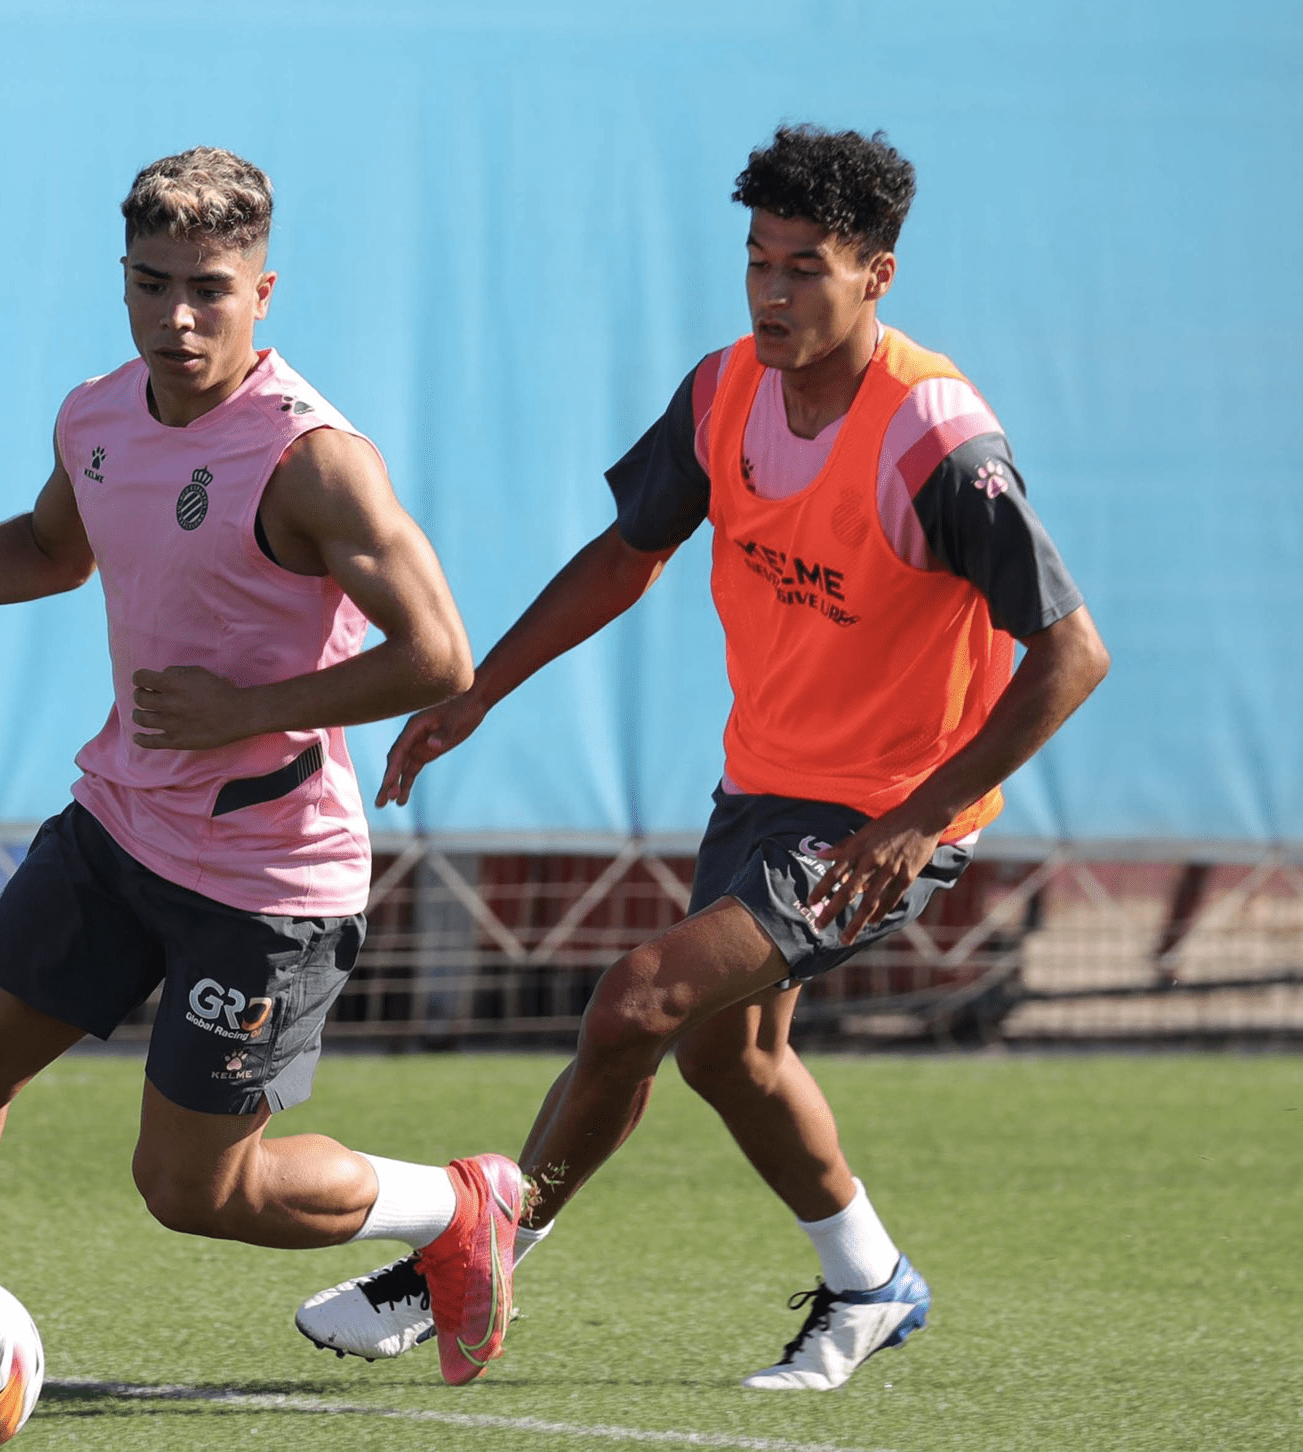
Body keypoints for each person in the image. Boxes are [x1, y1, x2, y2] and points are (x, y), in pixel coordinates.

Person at [0, 147, 527, 1407]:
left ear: (263, 289)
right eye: (150, 285)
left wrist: (251, 708)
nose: (177, 319)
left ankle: (454, 1204)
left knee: (195, 1192)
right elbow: (46, 547)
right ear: (121, 281)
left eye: (209, 290)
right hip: (121, 821)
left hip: (265, 873)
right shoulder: (96, 413)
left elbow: (438, 653)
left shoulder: (310, 460)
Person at [295, 125, 1110, 1391]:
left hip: (883, 819)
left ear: (876, 276)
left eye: (807, 268)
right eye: (756, 262)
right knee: (730, 1055)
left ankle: (473, 1246)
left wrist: (917, 819)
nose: (774, 293)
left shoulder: (935, 436)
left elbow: (1071, 654)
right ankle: (869, 1282)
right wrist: (478, 694)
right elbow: (627, 555)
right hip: (766, 786)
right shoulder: (723, 387)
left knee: (638, 999)